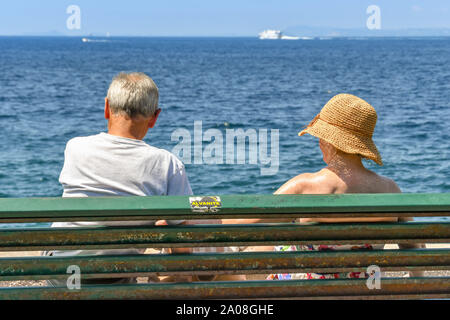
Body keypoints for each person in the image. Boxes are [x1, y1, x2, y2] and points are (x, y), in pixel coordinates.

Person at [232, 93, 423, 280]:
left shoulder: (304, 187)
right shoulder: (390, 189)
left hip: (305, 291)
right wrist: (416, 285)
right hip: (363, 290)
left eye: (320, 138)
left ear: (329, 142)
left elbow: (242, 221)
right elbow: (413, 246)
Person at [43, 72, 192, 286]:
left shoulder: (75, 147)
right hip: (117, 279)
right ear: (155, 117)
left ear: (106, 108)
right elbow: (183, 247)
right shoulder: (168, 164)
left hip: (65, 275)